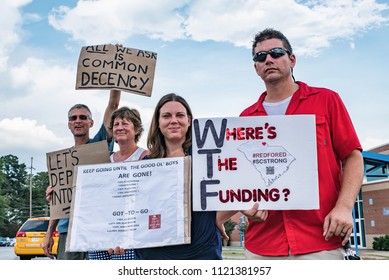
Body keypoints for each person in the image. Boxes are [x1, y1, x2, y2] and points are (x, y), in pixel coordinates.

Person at [219, 28, 364, 260]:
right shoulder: (245, 119)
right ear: (256, 68)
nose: (268, 59)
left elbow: (353, 156)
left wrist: (345, 207)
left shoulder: (326, 100)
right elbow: (242, 180)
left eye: (276, 53)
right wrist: (234, 211)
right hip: (263, 246)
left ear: (292, 59)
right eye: (260, 57)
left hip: (320, 240)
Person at [113, 93, 222, 259]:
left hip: (201, 252)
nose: (173, 120)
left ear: (189, 120)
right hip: (155, 255)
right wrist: (119, 235)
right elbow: (133, 209)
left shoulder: (208, 156)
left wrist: (218, 219)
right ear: (158, 122)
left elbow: (234, 191)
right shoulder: (145, 165)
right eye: (166, 116)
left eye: (179, 115)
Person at [42, 89, 121, 260]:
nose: (78, 121)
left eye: (83, 117)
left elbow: (113, 105)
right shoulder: (60, 161)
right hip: (68, 230)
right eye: (73, 118)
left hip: (97, 227)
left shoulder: (100, 143)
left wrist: (117, 80)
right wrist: (49, 233)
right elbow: (58, 204)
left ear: (91, 123)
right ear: (69, 124)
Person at [88, 106, 148, 260]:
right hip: (102, 233)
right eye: (116, 124)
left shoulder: (146, 157)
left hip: (130, 234)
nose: (120, 127)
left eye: (125, 123)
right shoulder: (105, 159)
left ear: (136, 130)